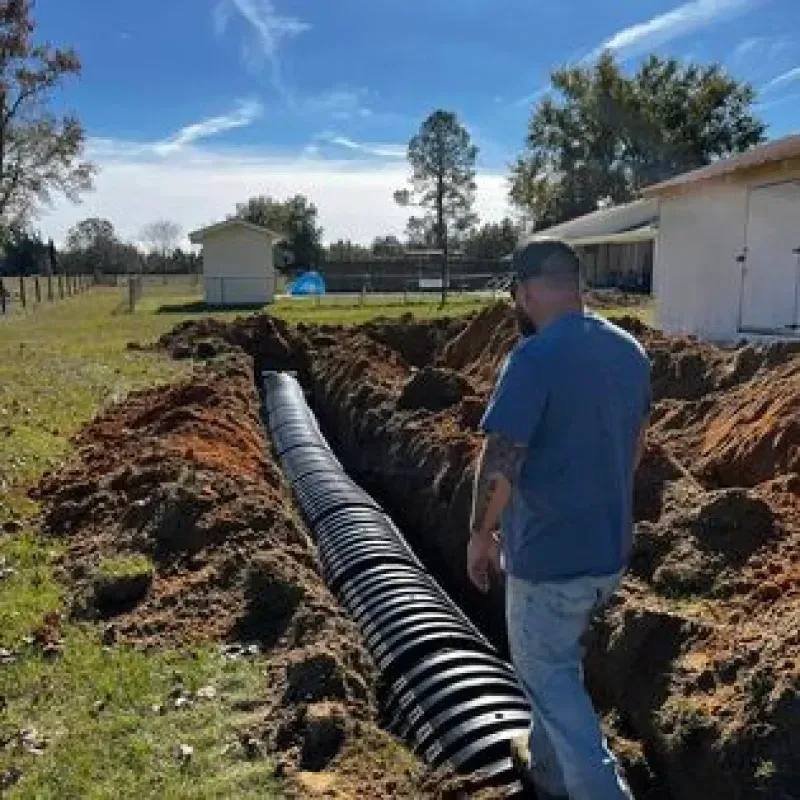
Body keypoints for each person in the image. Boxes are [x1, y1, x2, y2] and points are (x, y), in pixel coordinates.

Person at [467, 239, 650, 800]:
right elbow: (636, 446)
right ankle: (545, 770)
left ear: (524, 291)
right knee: (552, 671)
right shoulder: (629, 351)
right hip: (606, 554)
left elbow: (502, 460)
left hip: (549, 560)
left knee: (550, 678)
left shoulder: (535, 357)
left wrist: (480, 535)